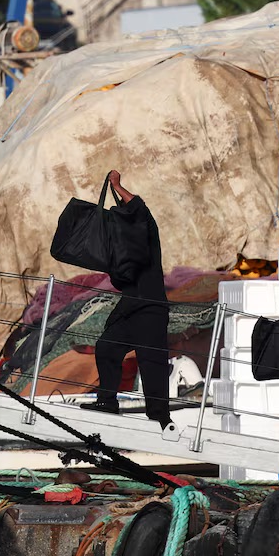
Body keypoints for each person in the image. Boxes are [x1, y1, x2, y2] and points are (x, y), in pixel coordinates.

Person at [84, 171, 174, 431]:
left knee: (151, 363)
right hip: (131, 308)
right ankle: (107, 401)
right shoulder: (123, 249)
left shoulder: (146, 228)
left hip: (151, 309)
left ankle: (160, 418)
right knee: (106, 347)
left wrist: (116, 185)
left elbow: (137, 205)